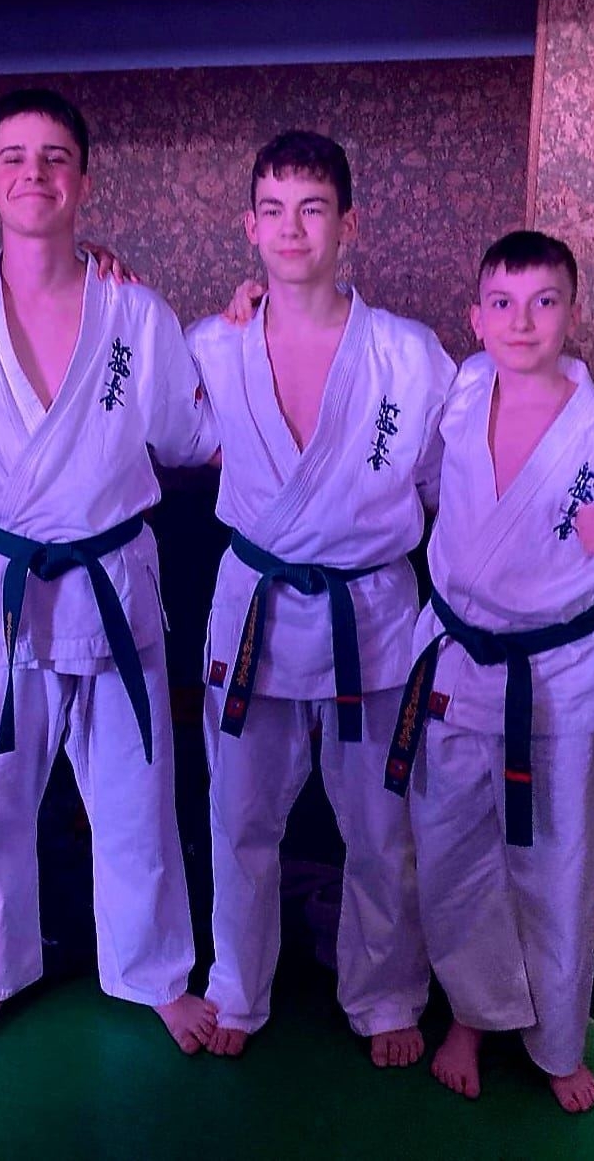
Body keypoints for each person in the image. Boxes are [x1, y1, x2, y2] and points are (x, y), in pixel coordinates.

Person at [0, 89, 219, 1054]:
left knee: (135, 793)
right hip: (0, 584)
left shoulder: (137, 311)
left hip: (113, 580)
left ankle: (153, 972)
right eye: (14, 157)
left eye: (54, 157)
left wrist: (247, 334)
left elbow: (194, 437)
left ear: (83, 180)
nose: (34, 174)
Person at [384, 231, 594, 1112]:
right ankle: (473, 1015)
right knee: (452, 854)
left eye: (544, 302)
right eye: (503, 303)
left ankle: (557, 1040)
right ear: (476, 317)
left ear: (574, 313)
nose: (521, 322)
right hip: (457, 664)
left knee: (558, 865)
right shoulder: (460, 391)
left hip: (559, 680)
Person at [184, 131, 450, 1063]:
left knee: (382, 824)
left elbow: (446, 485)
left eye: (312, 209)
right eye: (273, 210)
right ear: (249, 226)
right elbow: (163, 432)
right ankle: (236, 988)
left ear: (349, 225)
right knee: (238, 817)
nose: (292, 229)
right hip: (254, 608)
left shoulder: (410, 357)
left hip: (368, 615)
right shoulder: (211, 347)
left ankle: (385, 994)